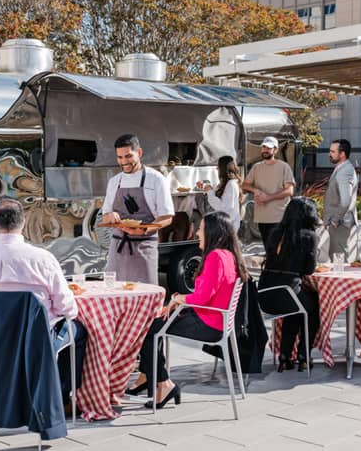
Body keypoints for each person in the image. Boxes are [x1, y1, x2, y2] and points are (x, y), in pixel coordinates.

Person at [0, 196, 87, 405]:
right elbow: (68, 309)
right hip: (34, 342)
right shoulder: (43, 259)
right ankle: (62, 399)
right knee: (79, 331)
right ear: (23, 224)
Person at [128, 211, 246, 409]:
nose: (197, 233)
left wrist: (177, 298)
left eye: (200, 229)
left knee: (147, 328)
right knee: (156, 323)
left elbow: (201, 297)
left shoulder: (215, 257)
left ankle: (161, 382)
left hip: (208, 323)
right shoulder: (228, 255)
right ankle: (152, 378)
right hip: (217, 320)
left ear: (212, 232)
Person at [258, 197, 320, 372]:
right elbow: (309, 270)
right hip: (287, 292)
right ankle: (304, 355)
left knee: (294, 311)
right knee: (313, 307)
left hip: (265, 293)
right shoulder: (309, 236)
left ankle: (285, 356)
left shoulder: (276, 233)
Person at [101, 134, 174, 284]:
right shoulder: (114, 182)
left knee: (146, 296)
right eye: (119, 157)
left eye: (128, 156)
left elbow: (167, 217)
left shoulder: (156, 179)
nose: (124, 162)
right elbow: (105, 216)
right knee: (116, 296)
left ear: (139, 153)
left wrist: (144, 230)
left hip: (144, 247)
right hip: (118, 249)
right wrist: (111, 216)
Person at [241, 136, 295, 245]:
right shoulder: (257, 167)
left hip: (279, 217)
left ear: (275, 150)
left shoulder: (284, 167)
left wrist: (268, 198)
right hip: (262, 217)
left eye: (269, 148)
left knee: (279, 251)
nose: (265, 150)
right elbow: (244, 185)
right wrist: (256, 190)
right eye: (264, 147)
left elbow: (289, 191)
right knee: (268, 249)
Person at [323, 139, 358, 258]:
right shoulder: (341, 168)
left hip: (340, 223)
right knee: (336, 257)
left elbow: (345, 201)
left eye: (333, 151)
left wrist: (335, 220)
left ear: (342, 154)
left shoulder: (345, 171)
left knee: (339, 259)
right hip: (339, 222)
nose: (329, 154)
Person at [199, 155, 242, 232]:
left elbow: (223, 207)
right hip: (223, 225)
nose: (216, 168)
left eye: (218, 166)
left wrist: (210, 192)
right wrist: (207, 188)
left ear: (223, 168)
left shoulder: (231, 185)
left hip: (227, 227)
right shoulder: (226, 184)